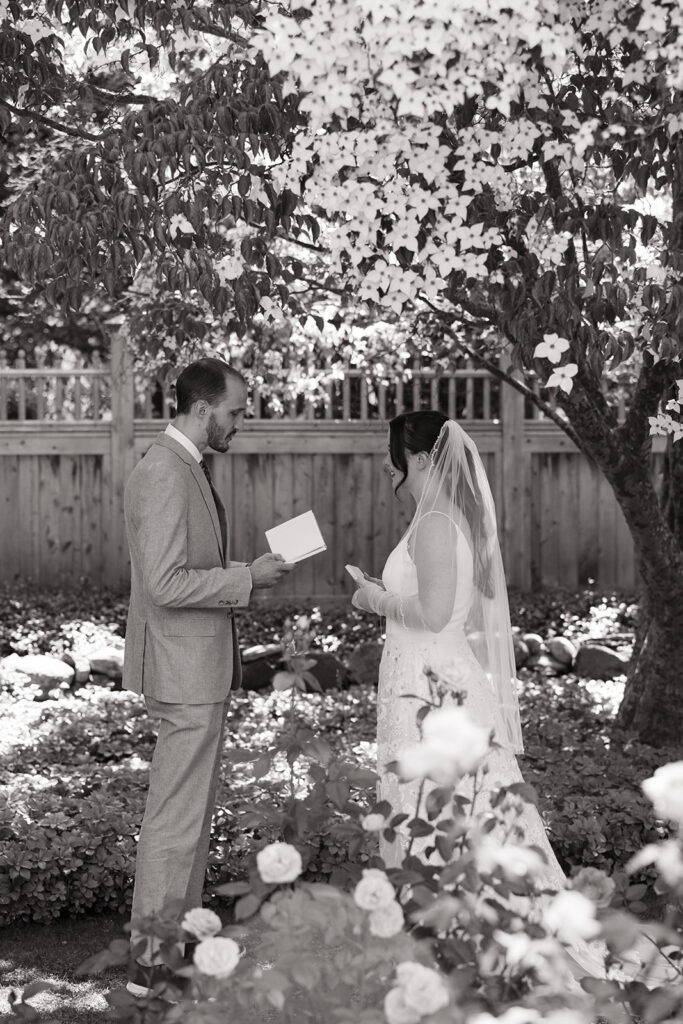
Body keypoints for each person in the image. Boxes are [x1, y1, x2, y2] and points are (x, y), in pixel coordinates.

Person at [350, 410, 661, 985]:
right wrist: (385, 590)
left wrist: (372, 600)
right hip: (416, 679)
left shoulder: (438, 521)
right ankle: (446, 941)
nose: (386, 461)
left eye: (393, 450)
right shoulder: (432, 519)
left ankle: (483, 946)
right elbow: (426, 599)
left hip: (434, 691)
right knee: (432, 807)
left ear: (418, 458)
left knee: (452, 811)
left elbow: (436, 614)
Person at [122, 357, 294, 998]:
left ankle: (171, 951)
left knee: (187, 818)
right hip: (182, 669)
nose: (240, 422)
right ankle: (151, 964)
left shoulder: (182, 466)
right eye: (235, 411)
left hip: (195, 666)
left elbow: (182, 569)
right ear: (202, 409)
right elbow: (165, 583)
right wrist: (245, 579)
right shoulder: (165, 472)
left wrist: (245, 570)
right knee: (175, 820)